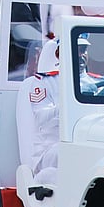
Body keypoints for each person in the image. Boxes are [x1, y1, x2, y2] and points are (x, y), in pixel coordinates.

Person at [15, 38, 63, 186]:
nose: (81, 56)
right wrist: (65, 109)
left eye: (84, 51)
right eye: (78, 51)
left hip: (79, 142)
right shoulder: (41, 82)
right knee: (70, 153)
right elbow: (41, 116)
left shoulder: (90, 83)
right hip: (48, 149)